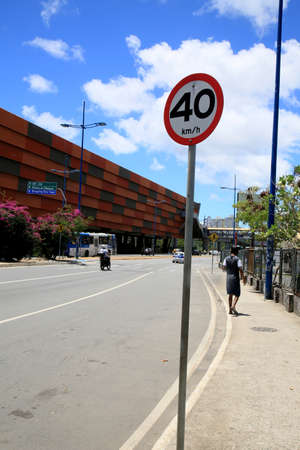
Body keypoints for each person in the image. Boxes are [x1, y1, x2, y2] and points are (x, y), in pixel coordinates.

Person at [223, 247, 246, 315]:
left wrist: (228, 269)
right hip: (235, 278)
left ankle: (230, 310)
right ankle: (233, 306)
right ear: (237, 252)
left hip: (228, 278)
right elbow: (240, 269)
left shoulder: (226, 258)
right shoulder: (238, 259)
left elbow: (223, 267)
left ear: (231, 251)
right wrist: (243, 278)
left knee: (230, 294)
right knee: (237, 294)